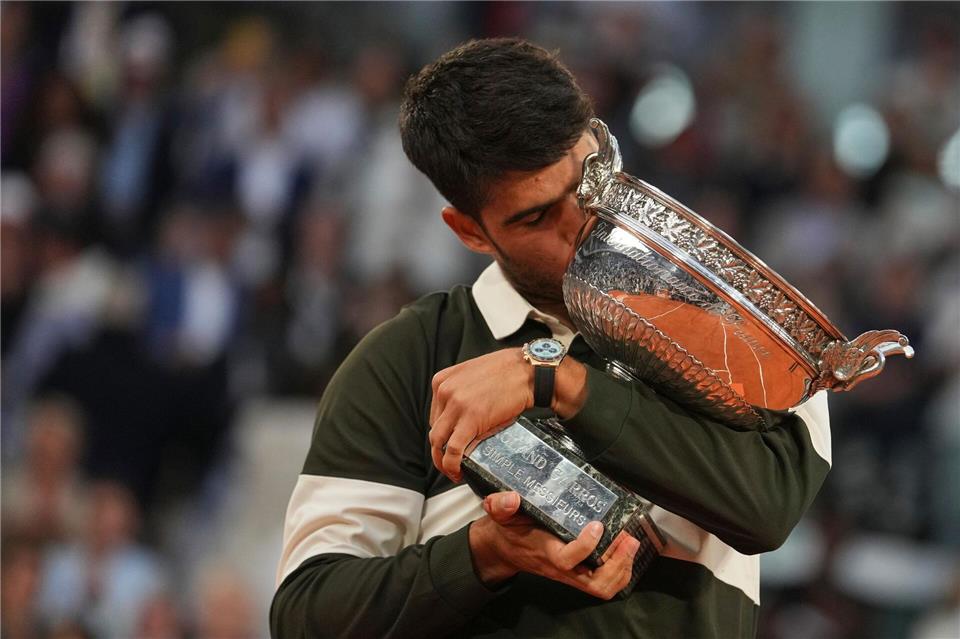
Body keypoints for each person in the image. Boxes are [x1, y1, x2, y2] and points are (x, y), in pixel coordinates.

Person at [271, 38, 831, 638]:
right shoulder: (407, 357)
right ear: (468, 230)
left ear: (602, 144)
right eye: (535, 218)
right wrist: (485, 554)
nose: (580, 224)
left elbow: (768, 507)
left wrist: (554, 381)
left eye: (587, 185)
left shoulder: (744, 324)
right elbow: (308, 617)